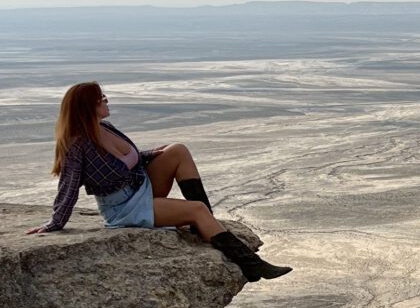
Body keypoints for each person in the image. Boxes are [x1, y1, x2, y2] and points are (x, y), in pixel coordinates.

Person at [30, 81, 290, 281]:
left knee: (177, 150)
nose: (107, 101)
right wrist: (56, 222)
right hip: (123, 208)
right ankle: (252, 265)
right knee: (195, 210)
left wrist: (155, 155)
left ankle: (205, 225)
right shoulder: (78, 145)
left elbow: (131, 160)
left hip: (139, 188)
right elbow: (69, 184)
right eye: (102, 99)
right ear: (89, 106)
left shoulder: (104, 128)